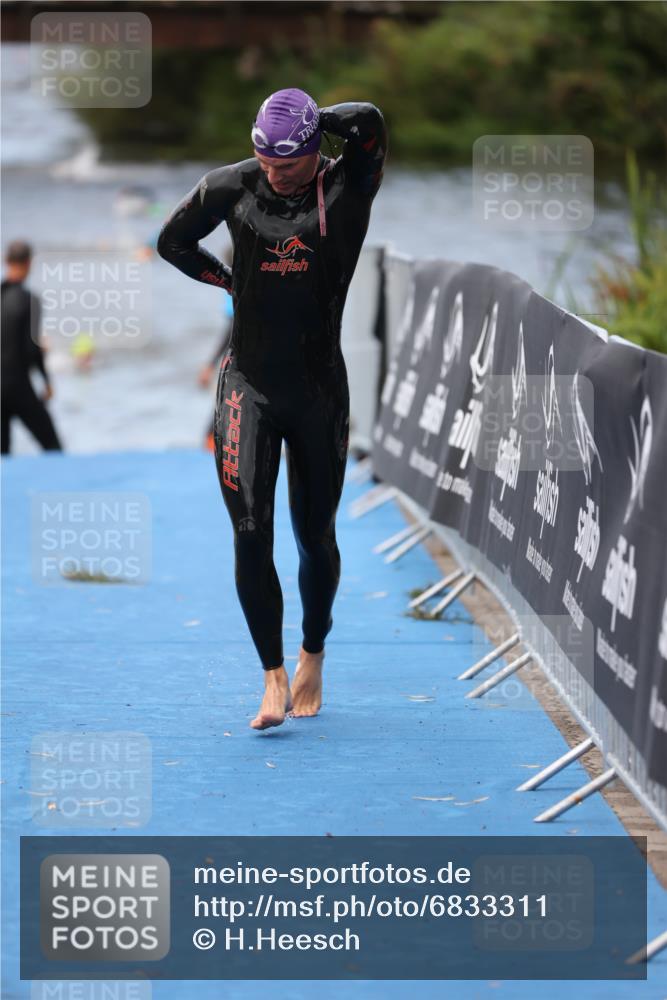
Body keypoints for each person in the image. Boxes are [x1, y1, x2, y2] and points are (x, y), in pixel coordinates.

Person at [157, 88, 387, 730]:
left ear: (316, 151)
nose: (273, 172)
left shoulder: (350, 190)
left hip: (318, 392)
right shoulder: (231, 186)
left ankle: (313, 650)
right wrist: (227, 281)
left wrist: (317, 116)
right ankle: (272, 673)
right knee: (251, 532)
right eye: (264, 157)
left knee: (315, 536)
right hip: (248, 385)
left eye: (287, 161)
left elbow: (370, 124)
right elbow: (171, 242)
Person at [1, 240, 62, 455]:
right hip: (18, 387)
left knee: (3, 454)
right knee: (53, 447)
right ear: (29, 263)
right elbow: (32, 347)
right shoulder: (29, 300)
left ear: (6, 261)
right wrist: (46, 381)